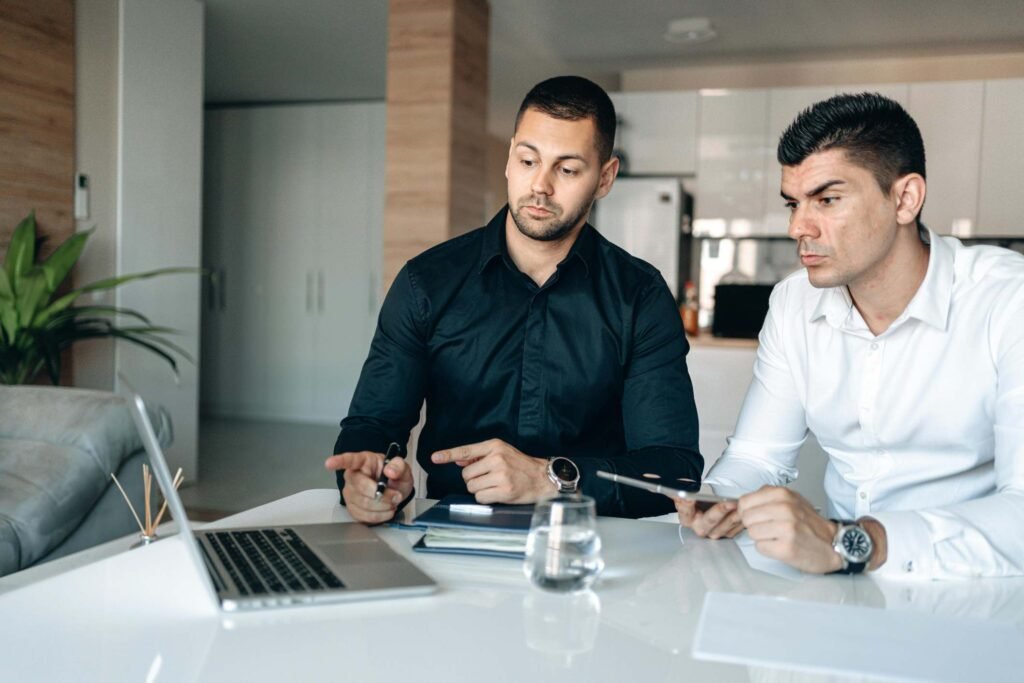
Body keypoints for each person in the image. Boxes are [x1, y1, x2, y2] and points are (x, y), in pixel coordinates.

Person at [678, 92, 1024, 580]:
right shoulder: (794, 302)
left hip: (976, 589)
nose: (798, 226)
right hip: (837, 579)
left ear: (904, 198)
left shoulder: (1009, 301)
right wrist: (721, 498)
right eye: (793, 203)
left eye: (827, 199)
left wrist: (855, 541)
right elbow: (757, 456)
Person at [326, 76, 702, 524]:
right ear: (509, 160)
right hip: (450, 537)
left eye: (566, 169)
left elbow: (673, 472)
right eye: (528, 160)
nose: (540, 186)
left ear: (605, 178)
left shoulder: (640, 296)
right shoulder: (426, 282)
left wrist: (550, 478)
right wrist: (373, 480)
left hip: (588, 549)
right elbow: (374, 424)